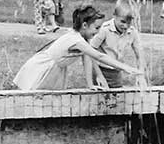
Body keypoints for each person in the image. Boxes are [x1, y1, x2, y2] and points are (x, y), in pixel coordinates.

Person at [13, 5, 143, 90]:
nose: (98, 32)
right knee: (32, 93)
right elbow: (99, 55)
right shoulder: (76, 40)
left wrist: (91, 84)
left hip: (56, 69)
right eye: (96, 28)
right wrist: (125, 67)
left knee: (46, 97)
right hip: (44, 67)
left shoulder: (83, 39)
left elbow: (88, 57)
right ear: (85, 25)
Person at [89, 0, 147, 88]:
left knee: (116, 98)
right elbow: (90, 51)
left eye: (129, 23)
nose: (125, 26)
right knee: (99, 99)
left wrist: (141, 75)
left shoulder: (132, 32)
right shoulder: (104, 30)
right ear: (114, 15)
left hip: (116, 72)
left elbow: (140, 55)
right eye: (123, 22)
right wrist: (98, 75)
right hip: (100, 69)